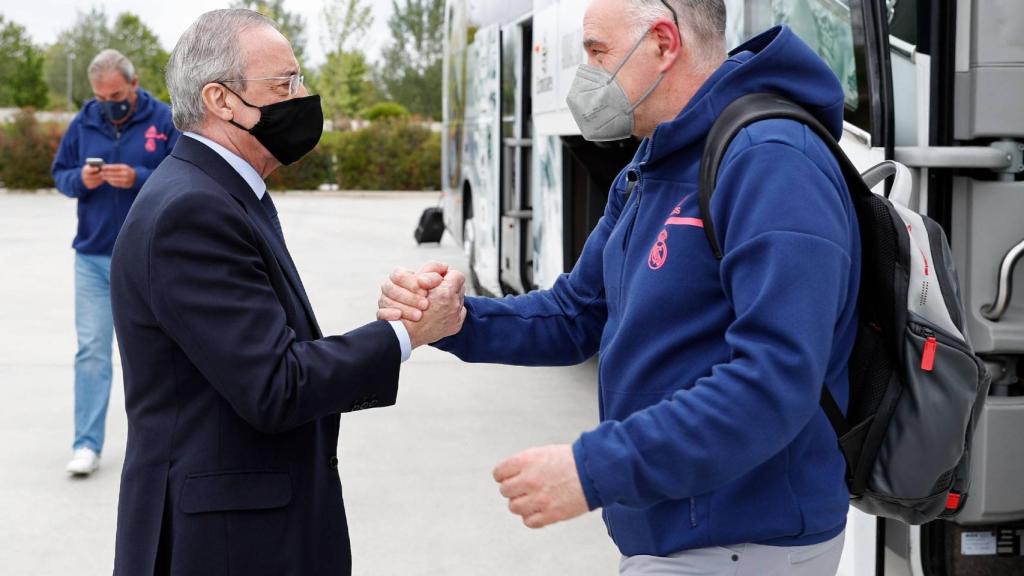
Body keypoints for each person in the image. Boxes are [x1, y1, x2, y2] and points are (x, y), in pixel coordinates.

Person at [379, 0, 860, 574]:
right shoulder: (656, 161)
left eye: (596, 51)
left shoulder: (771, 160)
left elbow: (774, 381)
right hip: (680, 534)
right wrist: (459, 319)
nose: (585, 73)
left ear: (663, 42)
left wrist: (594, 469)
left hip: (747, 541)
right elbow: (577, 312)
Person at [109, 9, 465, 575]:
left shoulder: (219, 191)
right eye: (285, 84)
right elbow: (276, 385)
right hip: (226, 546)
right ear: (221, 100)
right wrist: (406, 331)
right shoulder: (192, 210)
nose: (303, 98)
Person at [51, 49, 179, 476]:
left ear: (134, 83)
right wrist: (81, 180)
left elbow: (185, 176)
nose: (109, 104)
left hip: (148, 258)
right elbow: (60, 174)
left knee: (159, 354)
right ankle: (86, 445)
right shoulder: (83, 122)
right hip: (92, 258)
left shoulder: (165, 120)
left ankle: (167, 447)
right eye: (101, 98)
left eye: (117, 96)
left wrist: (138, 177)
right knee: (92, 352)